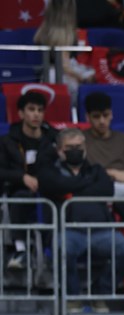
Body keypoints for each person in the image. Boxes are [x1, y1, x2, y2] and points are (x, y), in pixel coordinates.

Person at [38, 128, 124, 312]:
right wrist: (85, 185)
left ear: (84, 148)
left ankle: (101, 292)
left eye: (78, 146)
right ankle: (73, 297)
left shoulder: (96, 170)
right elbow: (51, 185)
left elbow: (106, 190)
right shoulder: (49, 171)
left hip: (101, 231)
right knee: (62, 249)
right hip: (68, 231)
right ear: (59, 150)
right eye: (69, 147)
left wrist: (70, 190)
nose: (74, 150)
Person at [0, 91, 58, 270]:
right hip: (17, 189)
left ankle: (52, 252)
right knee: (21, 197)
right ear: (21, 114)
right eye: (31, 110)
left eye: (40, 110)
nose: (36, 114)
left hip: (49, 189)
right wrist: (22, 177)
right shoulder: (7, 141)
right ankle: (20, 250)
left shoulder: (54, 139)